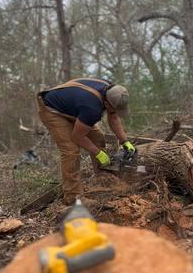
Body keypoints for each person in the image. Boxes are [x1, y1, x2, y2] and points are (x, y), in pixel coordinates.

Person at [37, 77, 136, 206]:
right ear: (106, 104)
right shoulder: (92, 108)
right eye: (113, 109)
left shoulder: (113, 92)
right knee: (70, 151)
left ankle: (103, 178)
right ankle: (73, 198)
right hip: (52, 109)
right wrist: (98, 153)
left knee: (97, 138)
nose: (115, 112)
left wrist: (125, 142)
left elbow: (114, 118)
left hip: (73, 107)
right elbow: (77, 137)